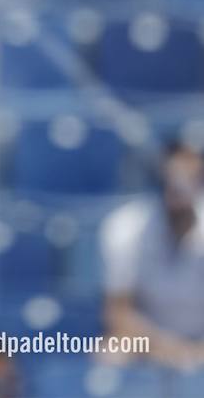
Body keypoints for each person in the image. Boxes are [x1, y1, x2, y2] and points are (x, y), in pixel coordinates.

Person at [100, 140, 204, 369]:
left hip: (200, 343)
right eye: (172, 182)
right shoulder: (124, 227)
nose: (178, 190)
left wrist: (196, 353)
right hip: (147, 342)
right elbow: (118, 313)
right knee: (111, 351)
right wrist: (170, 350)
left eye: (188, 180)